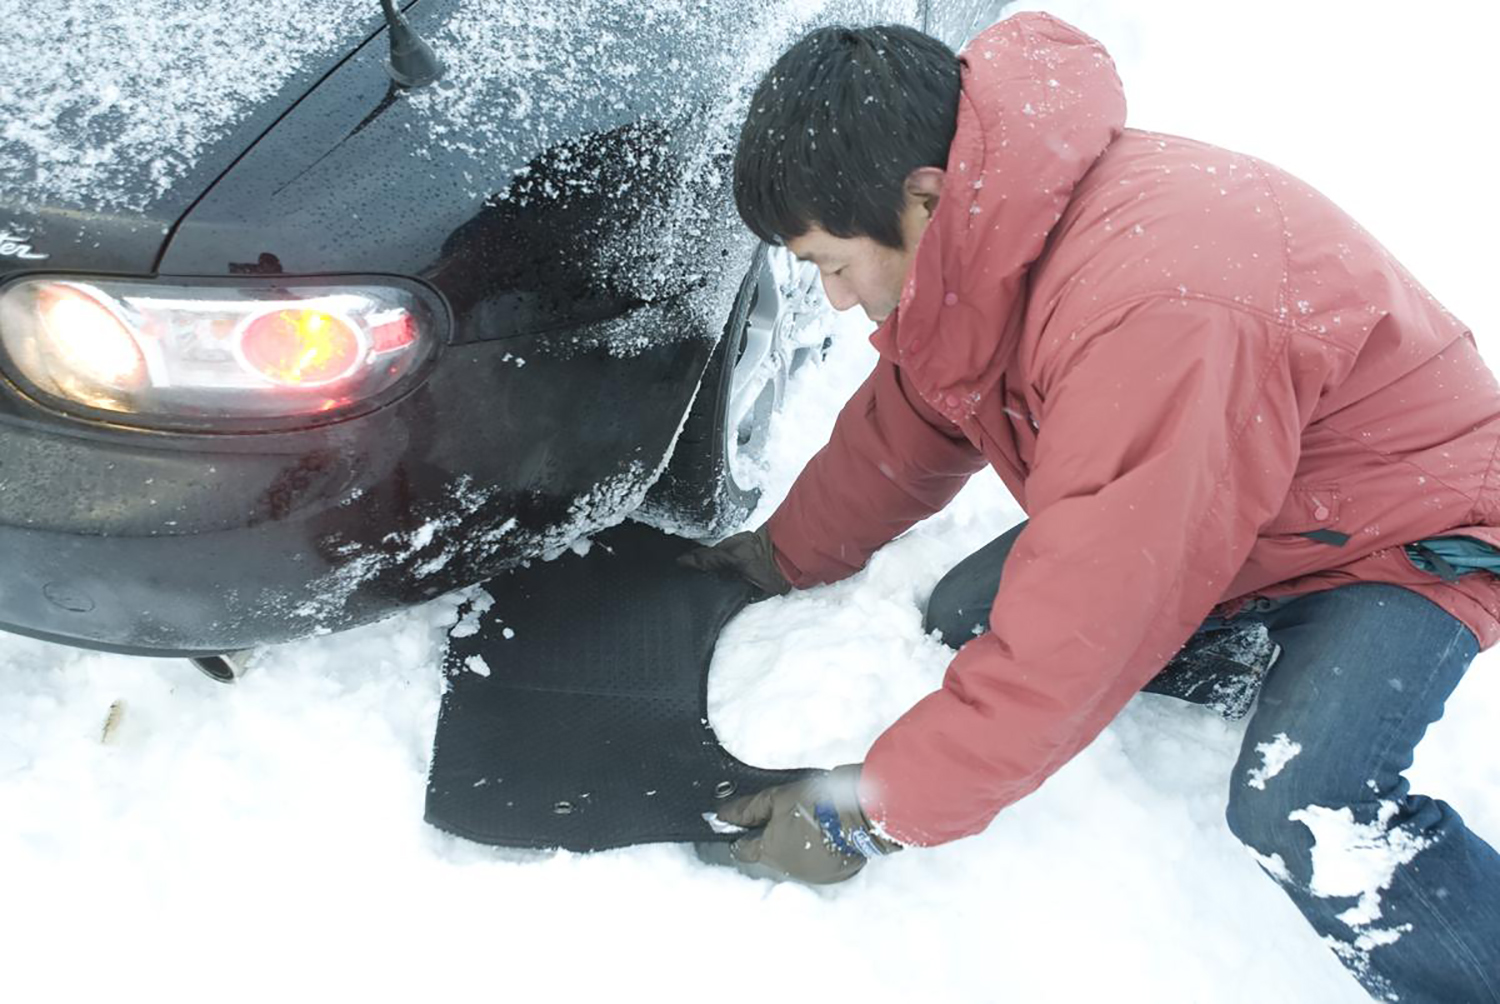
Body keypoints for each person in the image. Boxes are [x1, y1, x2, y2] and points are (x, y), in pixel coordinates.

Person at [677, 12, 1500, 1003]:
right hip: (1241, 507)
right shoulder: (991, 233)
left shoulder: (1150, 310)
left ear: (925, 197)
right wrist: (778, 555)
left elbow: (1077, 641)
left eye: (832, 263)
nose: (840, 299)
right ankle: (1255, 649)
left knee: (1301, 801)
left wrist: (866, 813)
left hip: (1398, 534)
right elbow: (912, 419)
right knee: (965, 621)